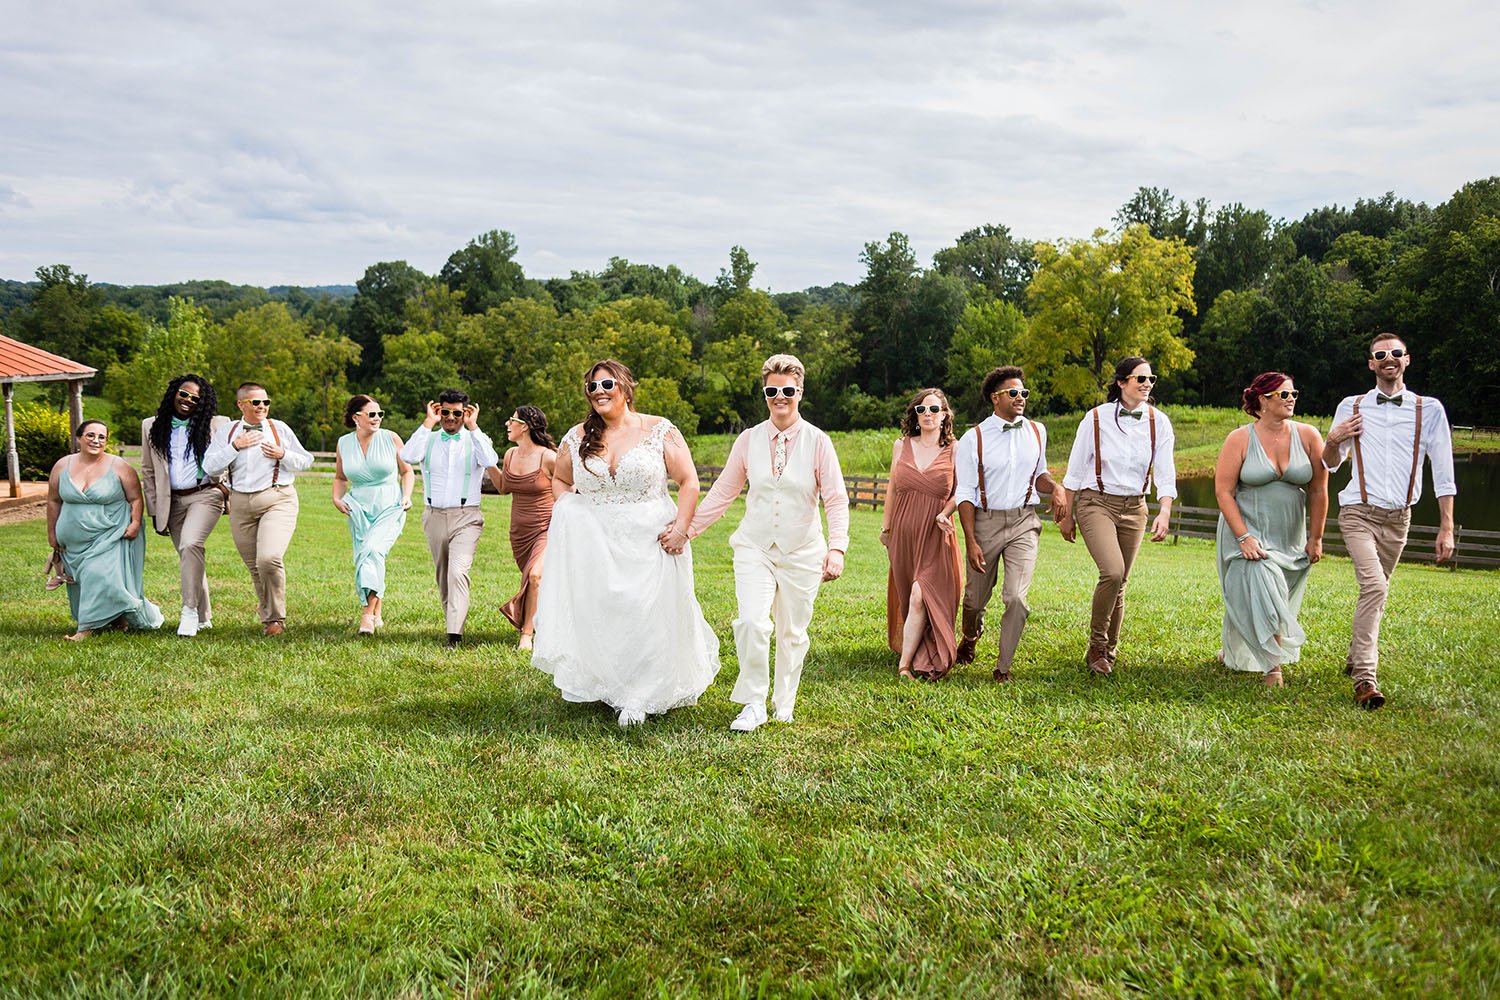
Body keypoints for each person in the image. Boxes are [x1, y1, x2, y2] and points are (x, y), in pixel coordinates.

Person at [532, 360, 720, 726]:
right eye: (592, 387)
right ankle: (610, 683)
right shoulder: (576, 436)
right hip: (596, 542)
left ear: (626, 388)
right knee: (606, 611)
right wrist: (572, 512)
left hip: (652, 538)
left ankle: (642, 694)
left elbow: (689, 482)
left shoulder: (659, 430)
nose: (599, 391)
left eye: (607, 384)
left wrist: (681, 529)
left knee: (648, 611)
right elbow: (560, 480)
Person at [689, 354, 849, 732]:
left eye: (788, 390)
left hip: (803, 550)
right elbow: (724, 492)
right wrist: (687, 529)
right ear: (764, 394)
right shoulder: (748, 439)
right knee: (751, 622)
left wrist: (837, 548)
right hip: (755, 546)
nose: (780, 397)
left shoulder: (818, 441)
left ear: (800, 392)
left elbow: (836, 499)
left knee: (792, 632)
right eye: (772, 391)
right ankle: (753, 703)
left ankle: (784, 702)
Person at [1322, 333, 1456, 710]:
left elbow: (1443, 472)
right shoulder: (1352, 405)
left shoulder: (1428, 409)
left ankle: (1353, 657)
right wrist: (1333, 438)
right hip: (1358, 513)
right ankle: (1366, 679)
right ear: (1371, 364)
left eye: (1395, 353)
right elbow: (1330, 462)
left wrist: (1446, 526)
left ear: (1406, 360)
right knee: (1376, 588)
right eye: (1380, 354)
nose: (1388, 358)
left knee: (1375, 593)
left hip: (1399, 520)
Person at [1058, 357, 1177, 676]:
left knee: (1120, 580)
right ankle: (1096, 646)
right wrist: (1066, 514)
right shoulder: (1095, 419)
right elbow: (1075, 469)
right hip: (1097, 503)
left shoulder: (1159, 422)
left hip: (1136, 507)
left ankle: (1109, 650)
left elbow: (1166, 473)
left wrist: (1164, 510)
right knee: (1112, 572)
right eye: (1140, 379)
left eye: (1151, 378)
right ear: (1121, 382)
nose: (1147, 384)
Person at [953, 367, 1068, 682]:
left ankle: (1003, 668)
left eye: (1024, 393)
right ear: (995, 397)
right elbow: (964, 493)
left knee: (1016, 597)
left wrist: (1056, 488)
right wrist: (971, 540)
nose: (1021, 398)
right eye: (1013, 393)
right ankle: (970, 636)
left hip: (1023, 522)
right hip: (985, 522)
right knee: (974, 601)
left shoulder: (1037, 431)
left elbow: (1040, 475)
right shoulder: (972, 439)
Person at [1214, 372, 1328, 686]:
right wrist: (1244, 537)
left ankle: (1234, 651)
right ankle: (1272, 667)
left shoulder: (1308, 436)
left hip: (1290, 534)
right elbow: (1224, 491)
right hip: (1247, 530)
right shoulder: (1239, 438)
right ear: (1263, 400)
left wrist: (1316, 537)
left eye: (1293, 394)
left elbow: (1319, 490)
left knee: (1264, 596)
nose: (1291, 399)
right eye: (1283, 395)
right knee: (1262, 584)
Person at [202, 383, 315, 636]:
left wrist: (282, 454)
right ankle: (270, 621)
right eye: (256, 402)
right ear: (241, 405)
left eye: (266, 402)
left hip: (278, 498)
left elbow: (306, 460)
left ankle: (276, 618)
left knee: (268, 558)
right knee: (255, 566)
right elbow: (209, 466)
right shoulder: (228, 431)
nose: (262, 406)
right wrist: (235, 447)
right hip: (240, 501)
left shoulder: (279, 429)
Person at [399, 390, 499, 649]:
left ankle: (454, 635)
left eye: (457, 412)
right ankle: (452, 623)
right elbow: (407, 456)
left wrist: (474, 427)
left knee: (457, 572)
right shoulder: (428, 439)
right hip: (433, 516)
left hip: (467, 517)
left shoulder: (477, 439)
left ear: (465, 413)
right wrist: (427, 423)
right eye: (446, 412)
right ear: (438, 411)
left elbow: (490, 460)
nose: (451, 417)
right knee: (443, 575)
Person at [45, 420, 164, 639]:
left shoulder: (119, 466)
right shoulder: (62, 465)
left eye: (102, 437)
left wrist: (135, 523)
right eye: (90, 435)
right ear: (79, 438)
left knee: (97, 574)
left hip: (110, 532)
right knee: (82, 582)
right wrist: (52, 533)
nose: (96, 441)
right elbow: (53, 501)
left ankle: (85, 630)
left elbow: (136, 498)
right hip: (73, 539)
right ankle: (117, 620)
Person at [880, 387, 962, 680]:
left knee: (920, 594)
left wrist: (945, 513)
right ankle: (914, 646)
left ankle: (904, 666)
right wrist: (886, 528)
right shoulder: (901, 445)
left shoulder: (955, 448)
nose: (927, 414)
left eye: (934, 409)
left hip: (936, 534)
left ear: (944, 415)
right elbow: (892, 488)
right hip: (903, 532)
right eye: (921, 409)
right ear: (915, 415)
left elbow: (960, 491)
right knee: (908, 595)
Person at [139, 374, 229, 637]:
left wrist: (226, 485)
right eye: (184, 394)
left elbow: (235, 452)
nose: (188, 401)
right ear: (173, 394)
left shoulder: (217, 424)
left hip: (206, 494)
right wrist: (155, 511)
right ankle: (204, 617)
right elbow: (147, 470)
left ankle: (188, 611)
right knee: (189, 555)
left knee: (191, 544)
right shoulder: (150, 426)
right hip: (172, 501)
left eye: (196, 399)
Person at [332, 395, 414, 635]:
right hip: (358, 507)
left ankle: (367, 614)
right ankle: (376, 611)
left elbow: (407, 471)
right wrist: (337, 498)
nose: (377, 418)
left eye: (380, 414)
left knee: (374, 551)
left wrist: (406, 495)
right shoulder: (343, 443)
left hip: (389, 504)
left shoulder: (391, 438)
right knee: (366, 558)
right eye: (372, 414)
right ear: (356, 417)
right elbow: (340, 477)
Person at [492, 405, 557, 651]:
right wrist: (489, 461)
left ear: (525, 425)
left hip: (547, 527)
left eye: (511, 420)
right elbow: (502, 487)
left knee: (535, 576)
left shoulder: (549, 457)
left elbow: (569, 489)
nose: (507, 425)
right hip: (519, 532)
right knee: (539, 581)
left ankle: (526, 635)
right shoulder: (509, 455)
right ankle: (550, 622)